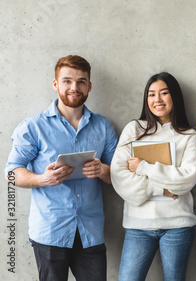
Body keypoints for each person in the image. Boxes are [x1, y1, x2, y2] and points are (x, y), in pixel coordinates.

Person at [4, 55, 118, 281]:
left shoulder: (103, 126)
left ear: (89, 86)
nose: (74, 87)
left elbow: (120, 173)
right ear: (56, 84)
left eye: (81, 81)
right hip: (49, 231)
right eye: (67, 81)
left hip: (90, 232)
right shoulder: (33, 127)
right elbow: (10, 173)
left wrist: (103, 171)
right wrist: (42, 179)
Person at [110, 72, 196, 281]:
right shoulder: (134, 129)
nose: (157, 100)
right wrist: (161, 189)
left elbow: (186, 179)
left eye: (164, 93)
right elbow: (119, 176)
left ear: (175, 97)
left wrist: (144, 167)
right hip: (138, 225)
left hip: (178, 225)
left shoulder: (189, 136)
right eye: (151, 94)